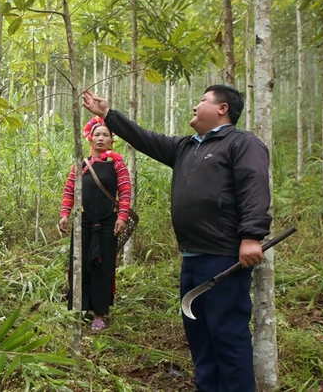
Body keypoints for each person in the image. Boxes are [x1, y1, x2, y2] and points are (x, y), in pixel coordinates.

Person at [83, 85, 272, 392]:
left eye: (202, 100)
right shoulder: (187, 147)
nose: (195, 106)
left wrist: (252, 235)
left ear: (222, 109)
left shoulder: (241, 143)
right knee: (198, 332)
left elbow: (254, 186)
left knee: (227, 333)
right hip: (193, 256)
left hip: (224, 256)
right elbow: (145, 138)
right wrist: (107, 115)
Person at [58, 116, 132, 331]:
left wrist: (122, 217)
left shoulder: (117, 164)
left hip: (108, 223)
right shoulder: (81, 164)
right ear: (90, 137)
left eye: (105, 135)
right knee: (80, 263)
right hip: (83, 222)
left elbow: (126, 192)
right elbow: (69, 190)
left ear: (111, 140)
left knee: (103, 265)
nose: (101, 138)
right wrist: (64, 214)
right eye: (97, 134)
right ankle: (81, 308)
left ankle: (100, 313)